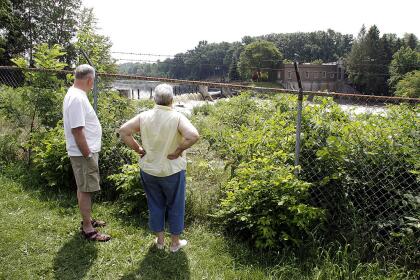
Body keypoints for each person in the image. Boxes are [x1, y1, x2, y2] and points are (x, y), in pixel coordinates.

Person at [119, 83, 199, 252]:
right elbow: (193, 136)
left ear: (155, 98)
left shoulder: (144, 116)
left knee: (155, 204)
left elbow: (124, 131)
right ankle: (175, 243)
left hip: (149, 169)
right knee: (175, 205)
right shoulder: (177, 117)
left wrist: (138, 149)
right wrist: (178, 151)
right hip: (172, 170)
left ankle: (160, 241)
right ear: (172, 99)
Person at [63, 64, 110, 242]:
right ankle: (88, 228)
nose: (93, 85)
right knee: (86, 189)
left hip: (83, 152)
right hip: (84, 153)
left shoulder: (75, 94)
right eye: (93, 82)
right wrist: (88, 154)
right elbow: (77, 131)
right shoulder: (77, 98)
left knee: (84, 187)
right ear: (90, 80)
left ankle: (87, 219)